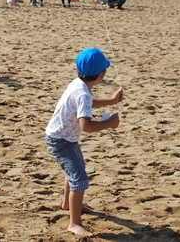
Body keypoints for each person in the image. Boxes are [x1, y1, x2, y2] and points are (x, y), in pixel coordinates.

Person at [45, 47, 124, 237]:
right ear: (102, 75)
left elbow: (87, 102)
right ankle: (74, 223)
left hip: (65, 138)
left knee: (75, 170)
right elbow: (86, 125)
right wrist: (109, 123)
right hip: (60, 141)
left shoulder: (78, 84)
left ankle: (67, 204)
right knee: (79, 180)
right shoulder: (81, 92)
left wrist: (111, 101)